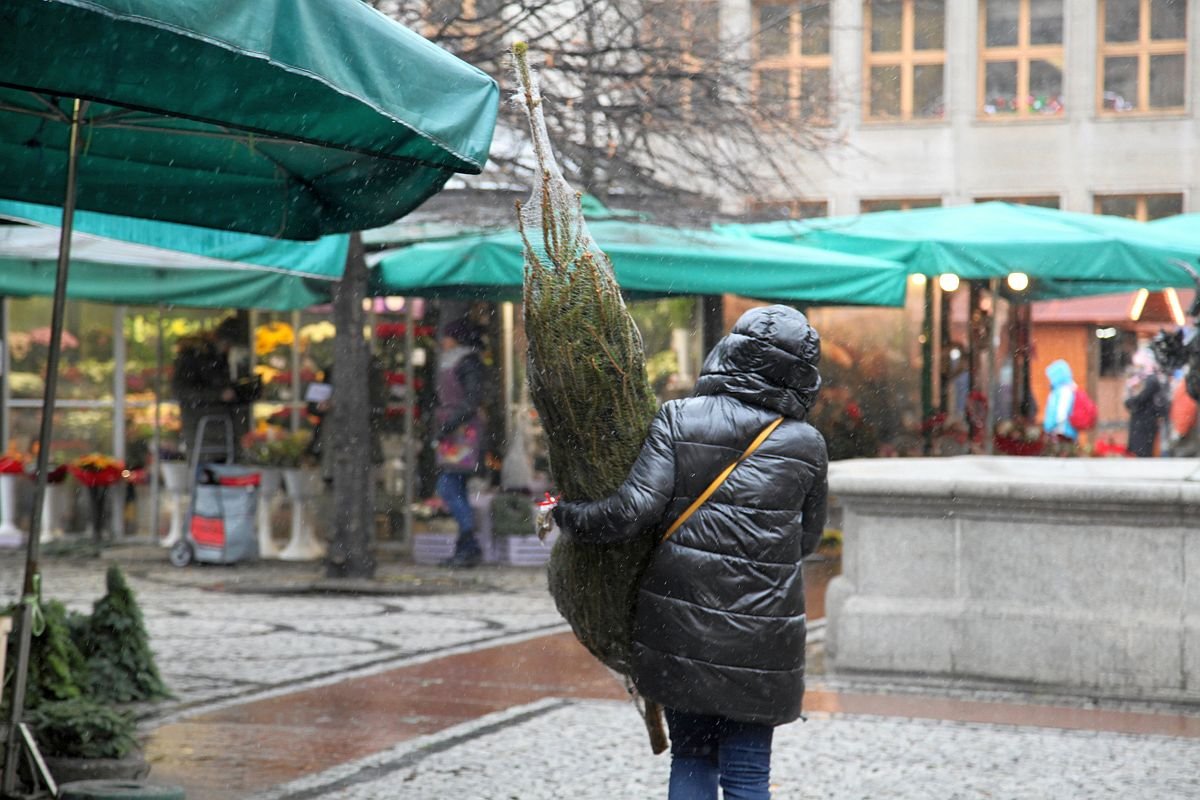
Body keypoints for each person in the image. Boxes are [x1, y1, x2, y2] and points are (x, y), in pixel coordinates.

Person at [552, 305, 828, 800]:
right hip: (763, 637)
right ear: (802, 373)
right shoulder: (807, 444)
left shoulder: (679, 418)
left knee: (693, 756)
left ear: (732, 352)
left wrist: (567, 515)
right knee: (748, 774)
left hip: (681, 627)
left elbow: (630, 512)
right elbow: (806, 540)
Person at [434, 318, 487, 568]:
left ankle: (469, 543)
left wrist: (449, 424)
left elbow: (471, 400)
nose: (442, 341)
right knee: (456, 487)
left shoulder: (467, 362)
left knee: (448, 485)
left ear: (455, 339)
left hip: (462, 432)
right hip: (455, 429)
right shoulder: (456, 361)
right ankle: (465, 546)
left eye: (446, 336)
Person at [172, 316, 256, 460]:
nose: (229, 350)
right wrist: (218, 395)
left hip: (217, 430)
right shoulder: (195, 357)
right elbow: (182, 391)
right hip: (203, 427)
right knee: (211, 464)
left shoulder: (216, 357)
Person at [1125, 347, 1169, 457]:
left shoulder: (1151, 380)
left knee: (1144, 451)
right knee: (1141, 450)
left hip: (1145, 422)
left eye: (1139, 366)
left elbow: (1142, 397)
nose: (1137, 369)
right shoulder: (1142, 379)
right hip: (1143, 421)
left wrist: (1130, 402)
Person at [1041, 358, 1078, 442]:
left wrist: (1052, 427)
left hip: (1061, 433)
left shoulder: (1064, 391)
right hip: (1059, 433)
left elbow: (1061, 414)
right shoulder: (1059, 390)